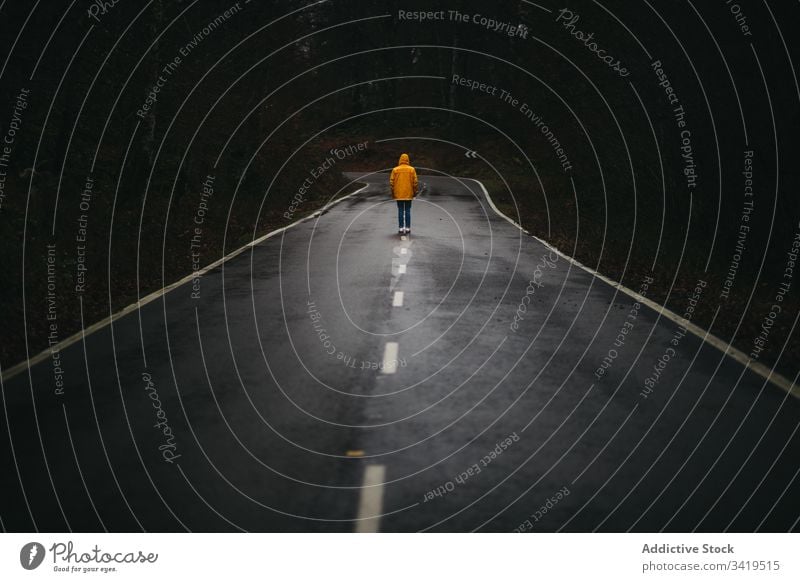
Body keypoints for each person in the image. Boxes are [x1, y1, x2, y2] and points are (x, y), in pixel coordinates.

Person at [389, 153, 418, 235]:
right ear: (408, 160)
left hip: (399, 194)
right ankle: (408, 228)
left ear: (400, 160)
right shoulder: (412, 170)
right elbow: (415, 182)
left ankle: (401, 228)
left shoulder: (395, 170)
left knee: (400, 210)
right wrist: (414, 193)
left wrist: (393, 193)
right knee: (408, 210)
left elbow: (391, 183)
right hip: (409, 194)